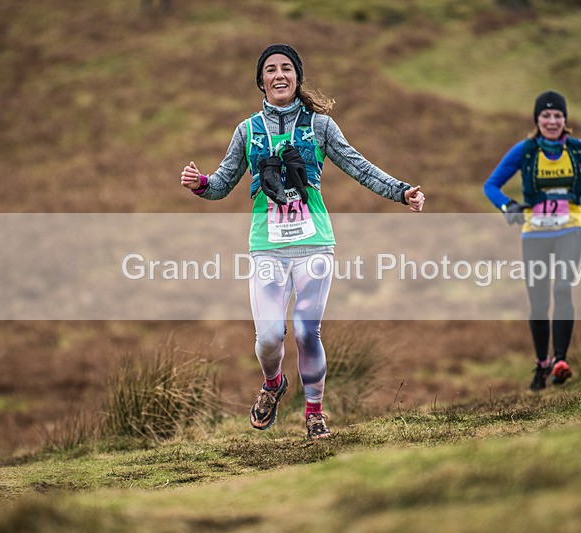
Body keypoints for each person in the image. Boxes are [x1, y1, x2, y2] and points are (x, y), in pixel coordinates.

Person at [181, 44, 424, 440]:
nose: (279, 75)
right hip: (267, 246)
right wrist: (200, 183)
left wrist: (401, 191)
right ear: (260, 81)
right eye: (271, 69)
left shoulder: (320, 126)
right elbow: (222, 184)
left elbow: (358, 166)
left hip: (315, 243)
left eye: (287, 69)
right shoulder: (247, 131)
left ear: (297, 77)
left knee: (307, 331)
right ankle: (273, 384)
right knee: (269, 338)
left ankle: (314, 413)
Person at [483, 90, 581, 391]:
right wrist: (508, 206)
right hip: (535, 232)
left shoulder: (577, 149)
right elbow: (491, 186)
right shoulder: (525, 151)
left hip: (571, 229)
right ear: (537, 120)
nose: (552, 121)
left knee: (563, 286)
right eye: (546, 115)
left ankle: (560, 361)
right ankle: (542, 364)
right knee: (539, 303)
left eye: (557, 116)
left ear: (565, 119)